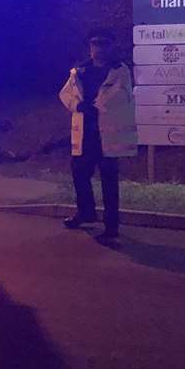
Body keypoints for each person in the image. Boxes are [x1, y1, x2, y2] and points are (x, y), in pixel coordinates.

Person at [59, 29, 138, 242]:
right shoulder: (80, 71)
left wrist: (96, 107)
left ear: (111, 46)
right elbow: (65, 94)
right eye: (95, 44)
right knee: (79, 175)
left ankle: (112, 226)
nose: (99, 48)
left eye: (103, 44)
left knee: (109, 181)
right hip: (85, 134)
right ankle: (86, 212)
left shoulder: (119, 70)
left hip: (108, 136)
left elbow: (122, 95)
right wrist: (78, 105)